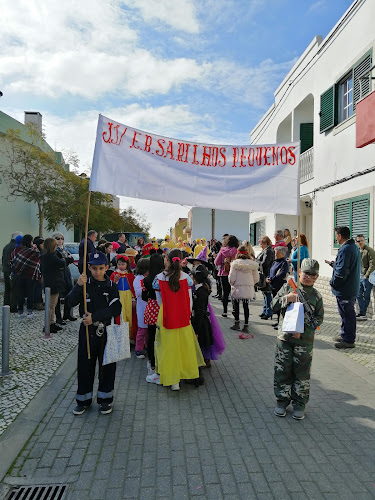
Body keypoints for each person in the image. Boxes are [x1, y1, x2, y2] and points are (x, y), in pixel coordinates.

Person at [66, 251, 121, 415]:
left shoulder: (111, 286)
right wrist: (78, 286)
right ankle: (83, 400)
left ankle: (105, 399)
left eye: (101, 268)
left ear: (106, 267)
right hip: (87, 332)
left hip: (106, 330)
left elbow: (116, 309)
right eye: (94, 268)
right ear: (89, 267)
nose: (98, 271)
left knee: (107, 366)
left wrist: (96, 317)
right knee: (85, 365)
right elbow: (69, 302)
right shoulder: (84, 284)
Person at [272, 259, 324, 420]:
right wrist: (286, 298)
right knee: (282, 370)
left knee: (302, 373)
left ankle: (299, 403)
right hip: (285, 339)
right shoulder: (289, 287)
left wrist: (302, 331)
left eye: (312, 275)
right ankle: (282, 400)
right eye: (306, 273)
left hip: (304, 342)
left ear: (316, 277)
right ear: (299, 272)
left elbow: (318, 320)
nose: (308, 277)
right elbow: (273, 305)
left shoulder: (316, 296)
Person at [146, 249, 205, 389]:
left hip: (166, 316)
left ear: (167, 259)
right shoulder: (187, 278)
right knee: (183, 346)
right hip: (183, 317)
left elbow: (159, 300)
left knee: (165, 347)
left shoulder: (159, 278)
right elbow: (189, 299)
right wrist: (187, 314)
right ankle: (180, 376)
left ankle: (171, 378)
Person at [331, 226, 361, 349]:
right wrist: (335, 265)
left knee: (348, 314)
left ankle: (349, 340)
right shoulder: (353, 247)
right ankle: (344, 335)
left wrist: (333, 283)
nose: (335, 238)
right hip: (350, 287)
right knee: (345, 314)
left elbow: (342, 272)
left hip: (345, 288)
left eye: (336, 235)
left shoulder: (346, 249)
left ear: (339, 236)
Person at [228, 245, 259, 333]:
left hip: (237, 287)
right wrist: (251, 283)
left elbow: (231, 277)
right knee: (246, 307)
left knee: (236, 306)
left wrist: (232, 283)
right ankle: (246, 325)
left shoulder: (235, 264)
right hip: (248, 287)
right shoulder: (252, 264)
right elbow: (256, 277)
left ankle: (237, 323)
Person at [143, 253, 164, 376]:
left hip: (151, 308)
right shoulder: (164, 277)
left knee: (151, 336)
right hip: (162, 308)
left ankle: (151, 361)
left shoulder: (147, 279)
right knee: (162, 336)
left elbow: (145, 296)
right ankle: (160, 361)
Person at [41, 237, 66, 333]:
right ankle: (48, 324)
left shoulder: (46, 255)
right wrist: (63, 259)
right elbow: (62, 262)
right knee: (51, 305)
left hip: (51, 282)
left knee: (53, 304)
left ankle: (51, 322)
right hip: (53, 283)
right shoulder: (51, 255)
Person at [12, 234, 41, 318]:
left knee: (20, 293)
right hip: (30, 276)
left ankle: (20, 312)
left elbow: (15, 261)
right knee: (30, 293)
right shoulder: (34, 251)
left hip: (19, 275)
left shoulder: (19, 250)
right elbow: (38, 260)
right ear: (30, 242)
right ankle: (29, 311)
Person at [191, 266, 213, 375]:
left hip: (200, 321)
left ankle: (203, 361)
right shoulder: (201, 289)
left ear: (195, 279)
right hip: (202, 319)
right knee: (203, 342)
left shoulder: (200, 292)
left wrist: (196, 329)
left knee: (201, 342)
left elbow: (199, 312)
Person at [110, 255, 136, 341]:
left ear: (127, 265)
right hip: (119, 295)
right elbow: (111, 287)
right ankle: (122, 337)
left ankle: (130, 335)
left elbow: (133, 287)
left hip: (128, 295)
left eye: (123, 264)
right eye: (119, 264)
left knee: (129, 314)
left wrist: (133, 298)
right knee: (121, 315)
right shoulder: (114, 274)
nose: (121, 266)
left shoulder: (130, 275)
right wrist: (116, 280)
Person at [52, 232, 76, 323]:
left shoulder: (64, 248)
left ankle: (67, 313)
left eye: (62, 238)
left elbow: (70, 258)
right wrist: (66, 260)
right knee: (58, 295)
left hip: (66, 272)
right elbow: (60, 261)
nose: (60, 240)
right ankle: (58, 317)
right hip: (58, 273)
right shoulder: (54, 250)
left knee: (69, 292)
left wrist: (68, 260)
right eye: (58, 239)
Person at [214, 235, 239, 318]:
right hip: (234, 274)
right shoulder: (237, 250)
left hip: (223, 273)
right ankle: (235, 310)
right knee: (234, 293)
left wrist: (223, 262)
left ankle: (225, 311)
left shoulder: (222, 250)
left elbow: (216, 262)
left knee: (225, 292)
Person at [267, 246, 290, 329]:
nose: (275, 255)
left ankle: (281, 323)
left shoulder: (284, 263)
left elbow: (282, 274)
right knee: (276, 305)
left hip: (280, 286)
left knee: (280, 306)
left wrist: (272, 279)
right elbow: (271, 272)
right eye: (275, 253)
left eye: (277, 253)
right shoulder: (275, 262)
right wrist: (268, 277)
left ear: (283, 254)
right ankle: (278, 321)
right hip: (273, 286)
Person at [355, 234, 375, 320]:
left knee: (366, 295)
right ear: (356, 242)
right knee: (358, 294)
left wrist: (366, 275)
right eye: (358, 241)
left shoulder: (369, 250)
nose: (360, 242)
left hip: (367, 277)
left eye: (362, 240)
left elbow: (373, 264)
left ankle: (362, 313)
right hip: (358, 277)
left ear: (365, 240)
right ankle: (362, 313)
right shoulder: (356, 250)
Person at [133, 258, 150, 359]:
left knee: (148, 330)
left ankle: (147, 346)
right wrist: (146, 288)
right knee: (142, 330)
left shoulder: (145, 277)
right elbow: (138, 292)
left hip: (148, 307)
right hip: (142, 307)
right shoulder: (138, 279)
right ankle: (138, 349)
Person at [2, 231, 23, 312]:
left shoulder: (6, 246)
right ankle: (13, 306)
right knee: (14, 288)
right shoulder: (16, 247)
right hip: (12, 271)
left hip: (5, 269)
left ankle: (6, 304)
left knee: (7, 289)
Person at [256, 236, 275, 320]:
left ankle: (268, 312)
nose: (260, 245)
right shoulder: (266, 250)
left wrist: (256, 262)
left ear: (265, 243)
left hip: (266, 274)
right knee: (265, 294)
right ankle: (265, 311)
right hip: (264, 274)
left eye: (261, 243)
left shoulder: (268, 251)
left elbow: (265, 263)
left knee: (267, 294)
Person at [33, 237, 45, 310]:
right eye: (42, 243)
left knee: (38, 287)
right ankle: (38, 303)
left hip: (39, 272)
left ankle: (39, 301)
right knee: (38, 288)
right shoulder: (38, 252)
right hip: (37, 272)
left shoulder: (41, 251)